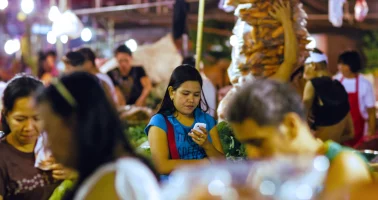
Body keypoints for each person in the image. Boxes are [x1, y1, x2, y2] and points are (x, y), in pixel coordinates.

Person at [225, 79, 373, 194]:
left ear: (291, 125)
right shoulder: (270, 172)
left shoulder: (343, 166)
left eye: (258, 142)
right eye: (246, 144)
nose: (252, 154)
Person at [36, 72, 160, 199]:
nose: (47, 145)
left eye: (49, 130)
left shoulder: (110, 183)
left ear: (74, 123)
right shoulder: (125, 169)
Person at [145, 65, 224, 177]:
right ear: (172, 92)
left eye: (196, 95)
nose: (191, 100)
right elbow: (161, 166)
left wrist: (207, 145)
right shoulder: (159, 122)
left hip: (205, 188)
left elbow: (222, 163)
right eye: (185, 93)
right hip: (175, 189)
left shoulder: (207, 120)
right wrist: (205, 163)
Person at [0, 74, 70, 199]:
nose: (29, 128)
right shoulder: (3, 158)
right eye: (20, 119)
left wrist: (72, 173)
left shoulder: (57, 143)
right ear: (6, 115)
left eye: (37, 118)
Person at [302, 49, 354, 143]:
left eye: (304, 67)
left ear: (313, 65)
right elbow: (350, 134)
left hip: (317, 151)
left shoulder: (312, 84)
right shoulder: (339, 86)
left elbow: (301, 121)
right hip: (335, 150)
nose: (303, 74)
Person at [334, 50, 376, 146]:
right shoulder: (336, 81)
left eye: (342, 64)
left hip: (360, 133)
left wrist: (371, 132)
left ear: (350, 66)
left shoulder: (364, 84)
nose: (339, 67)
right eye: (339, 63)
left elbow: (371, 111)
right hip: (339, 131)